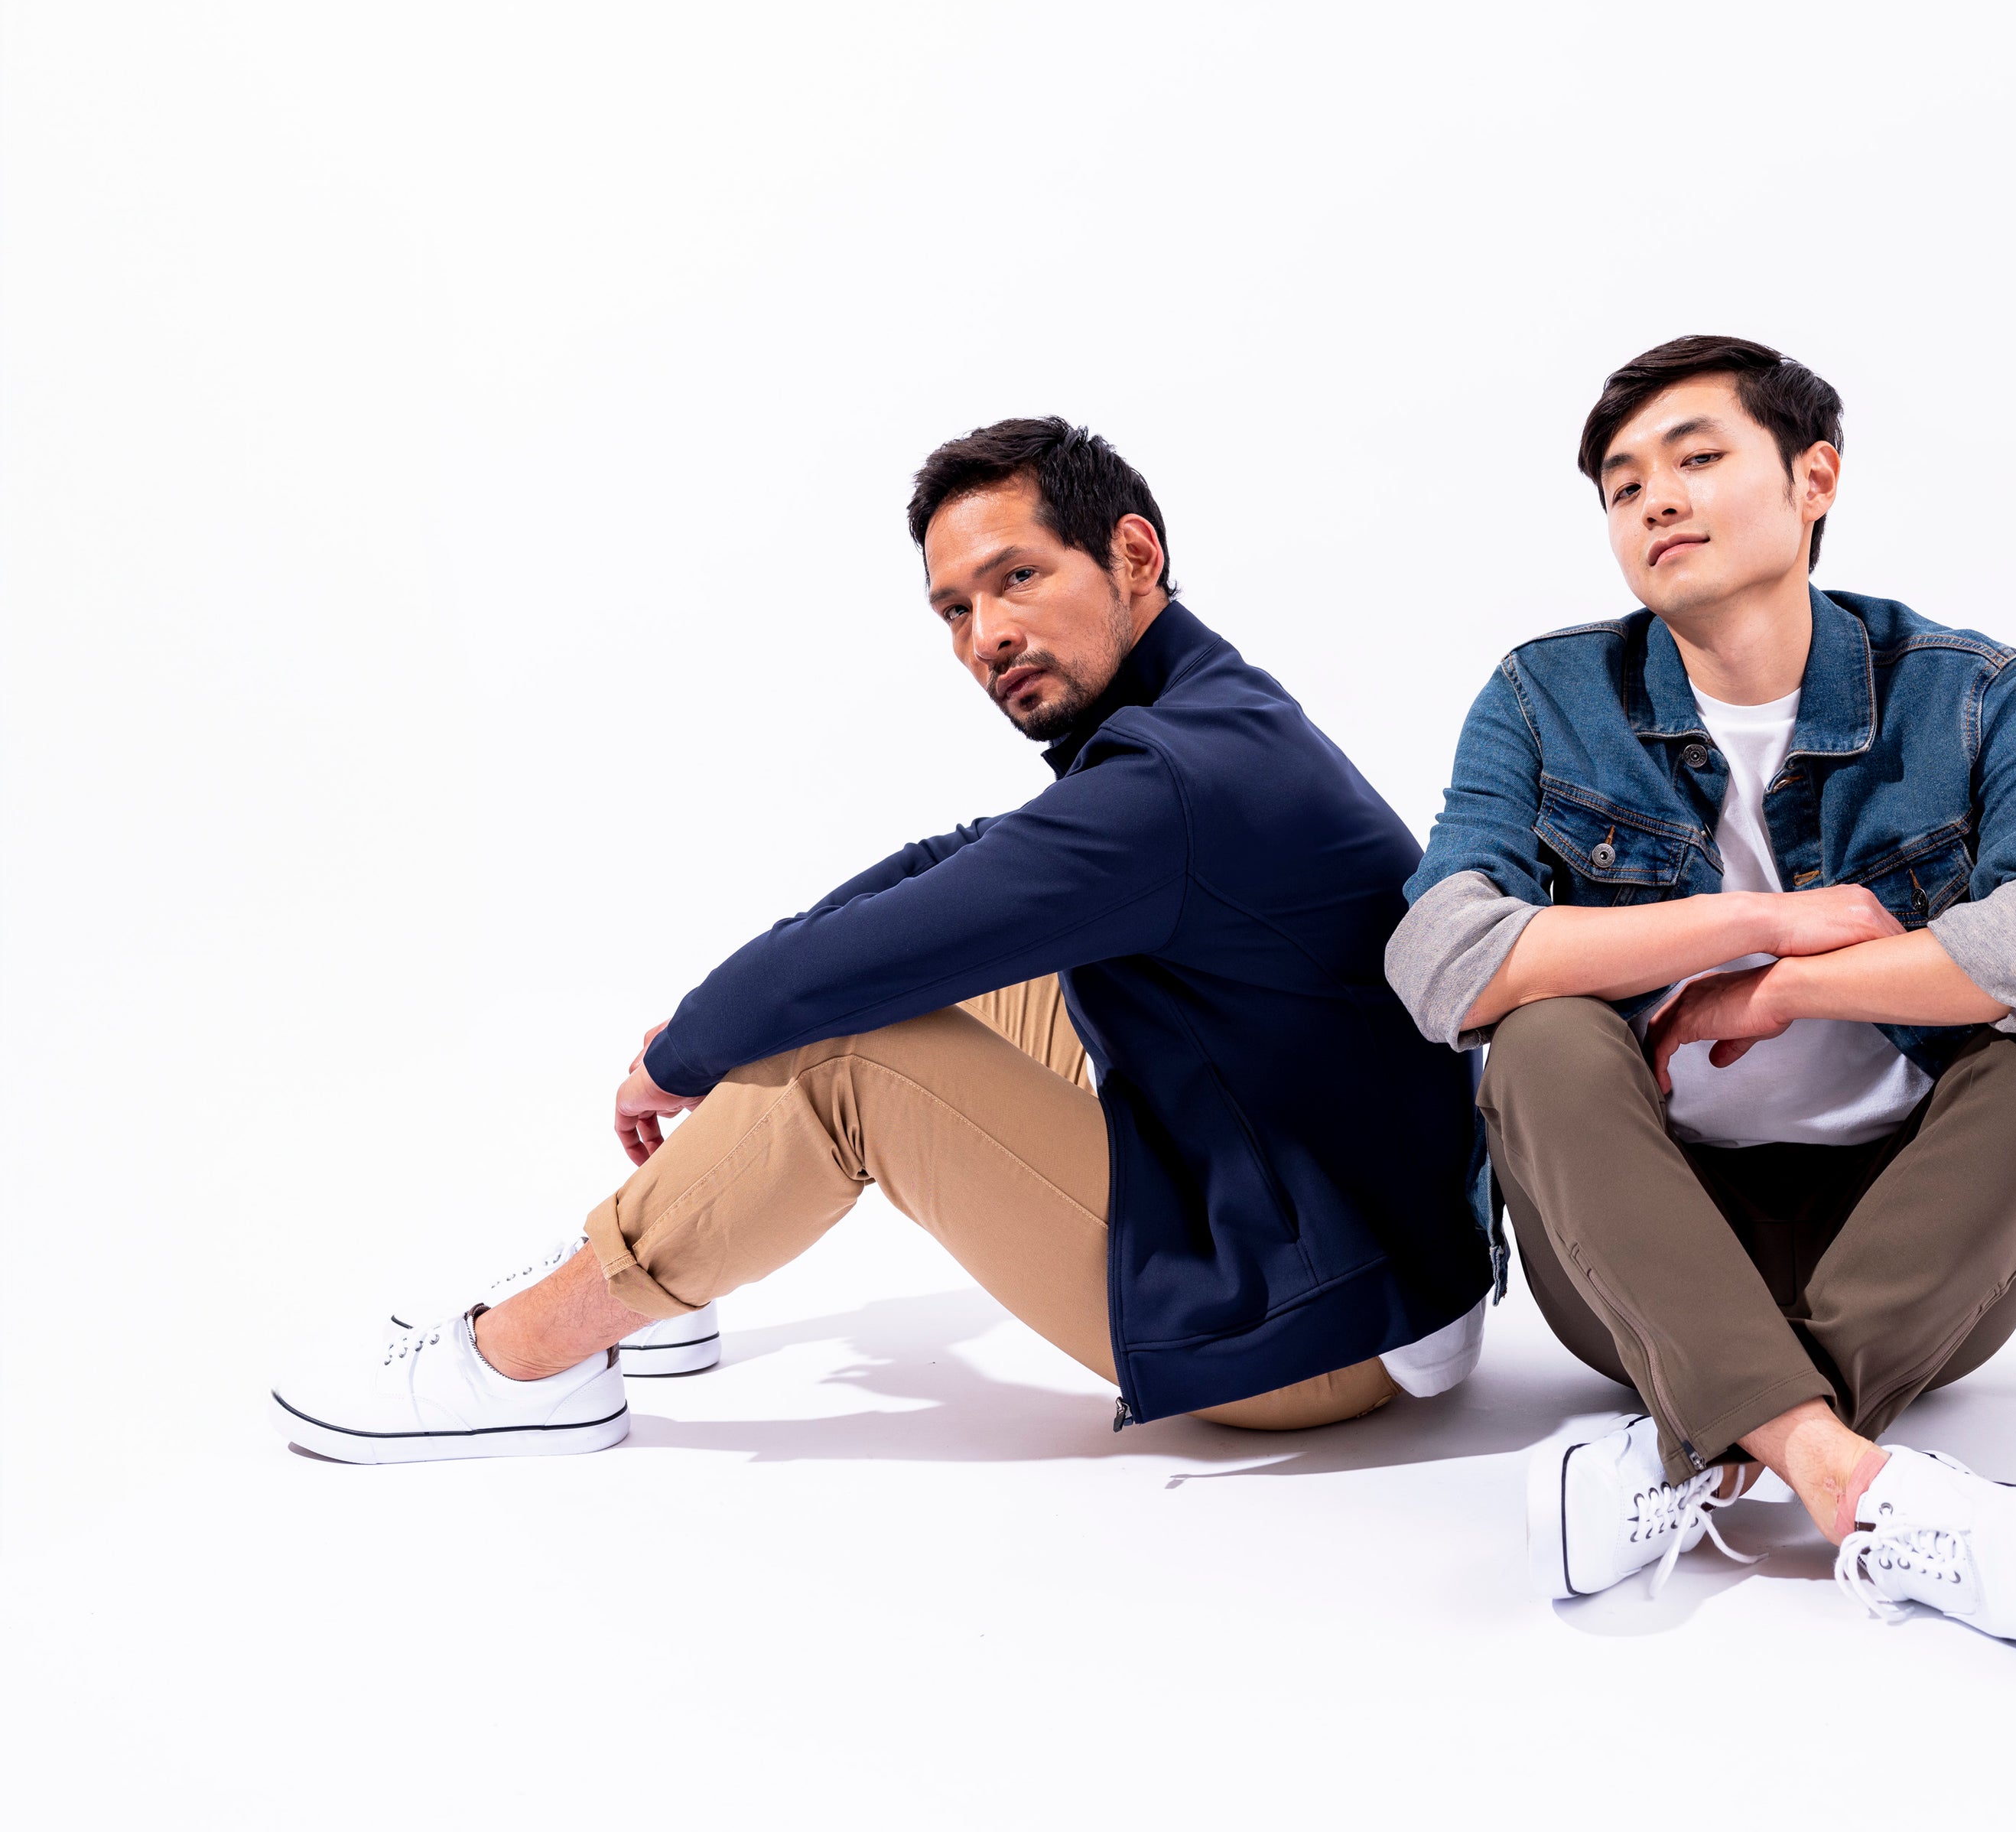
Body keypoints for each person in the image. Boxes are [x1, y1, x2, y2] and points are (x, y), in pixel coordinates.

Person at [273, 418, 1494, 1461]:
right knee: (900, 983)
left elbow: (869, 964)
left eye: (1017, 579)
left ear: (1133, 552)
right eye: (956, 608)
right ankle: (664, 1253)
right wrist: (725, 1020)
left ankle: (526, 1360)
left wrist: (692, 1053)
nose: (985, 636)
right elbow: (946, 870)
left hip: (1327, 1330)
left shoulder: (1170, 782)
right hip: (1354, 1235)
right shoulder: (1204, 715)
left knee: (849, 1057)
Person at [1385, 336, 2016, 1642]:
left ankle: (1695, 1446)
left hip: (1918, 1237)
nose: (1655, 498)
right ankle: (1853, 1482)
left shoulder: (1972, 694)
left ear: (1815, 479)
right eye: (1623, 482)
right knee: (1542, 1043)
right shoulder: (1545, 699)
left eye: (1699, 458)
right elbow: (1441, 962)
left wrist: (1780, 994)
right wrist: (1749, 921)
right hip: (1641, 1237)